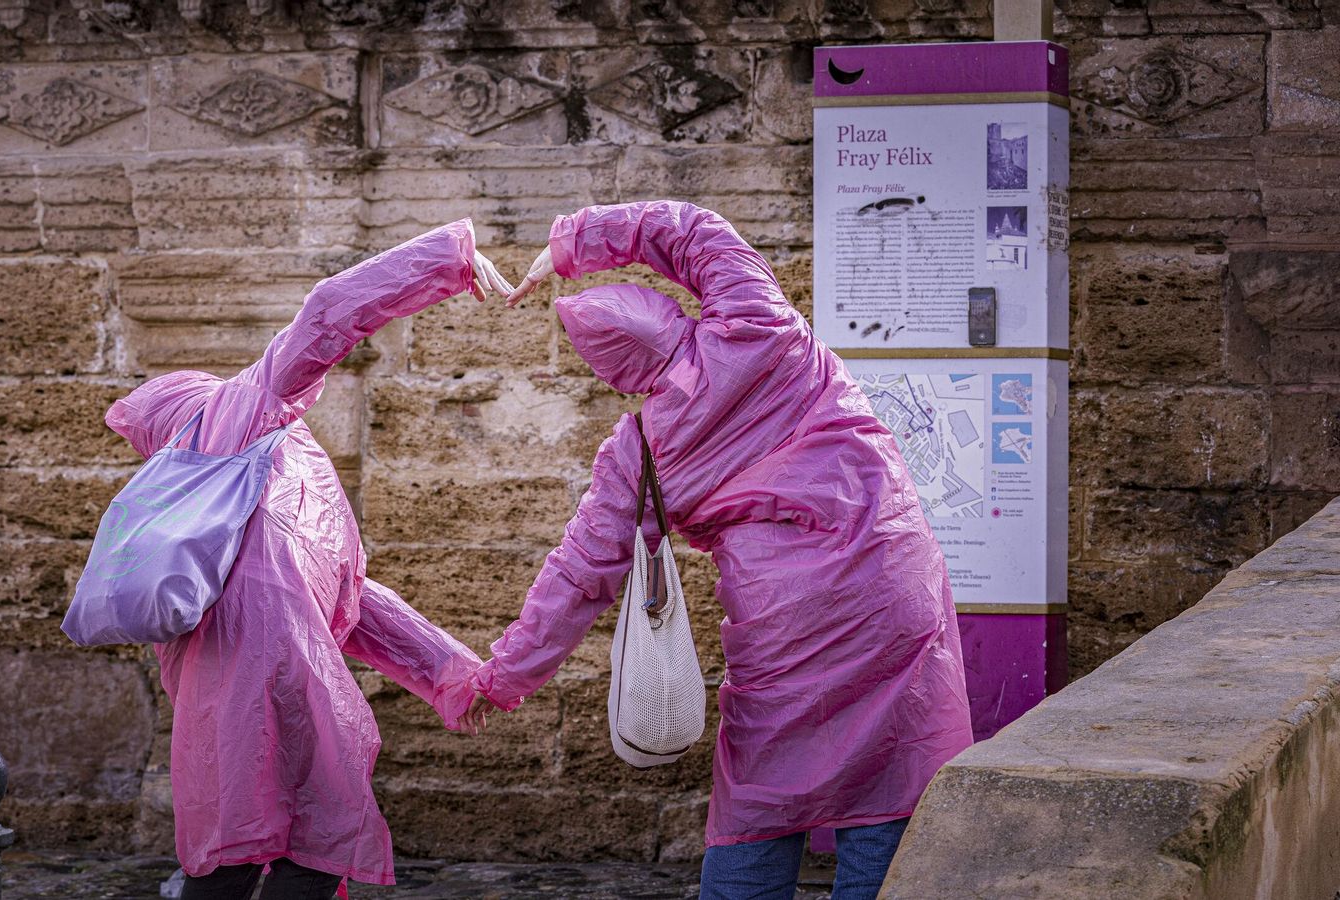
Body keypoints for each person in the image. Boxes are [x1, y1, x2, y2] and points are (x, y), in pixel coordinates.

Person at [460, 200, 974, 900]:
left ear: (617, 375)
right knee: (895, 790)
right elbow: (691, 229)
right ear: (669, 312)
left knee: (760, 801)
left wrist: (502, 679)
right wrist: (568, 245)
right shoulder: (758, 321)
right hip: (890, 593)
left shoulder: (639, 453)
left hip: (781, 635)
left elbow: (578, 578)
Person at [103, 220, 513, 900]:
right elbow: (327, 311)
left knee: (263, 854)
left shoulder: (251, 454)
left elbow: (346, 596)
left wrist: (449, 671)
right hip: (277, 683)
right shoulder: (237, 436)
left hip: (250, 689)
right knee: (299, 850)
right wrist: (446, 259)